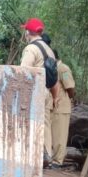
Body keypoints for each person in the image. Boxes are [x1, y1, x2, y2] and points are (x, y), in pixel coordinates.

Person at [19, 18, 59, 168]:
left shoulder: (31, 49)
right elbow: (54, 77)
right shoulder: (49, 50)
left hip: (35, 91)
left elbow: (24, 72)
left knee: (30, 122)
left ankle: (32, 156)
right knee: (45, 124)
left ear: (27, 33)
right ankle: (46, 154)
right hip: (47, 91)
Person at [50, 49, 76, 167]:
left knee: (60, 134)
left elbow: (70, 87)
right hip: (54, 106)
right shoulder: (53, 69)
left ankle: (58, 161)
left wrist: (68, 99)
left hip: (62, 106)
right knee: (53, 133)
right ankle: (52, 158)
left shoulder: (63, 69)